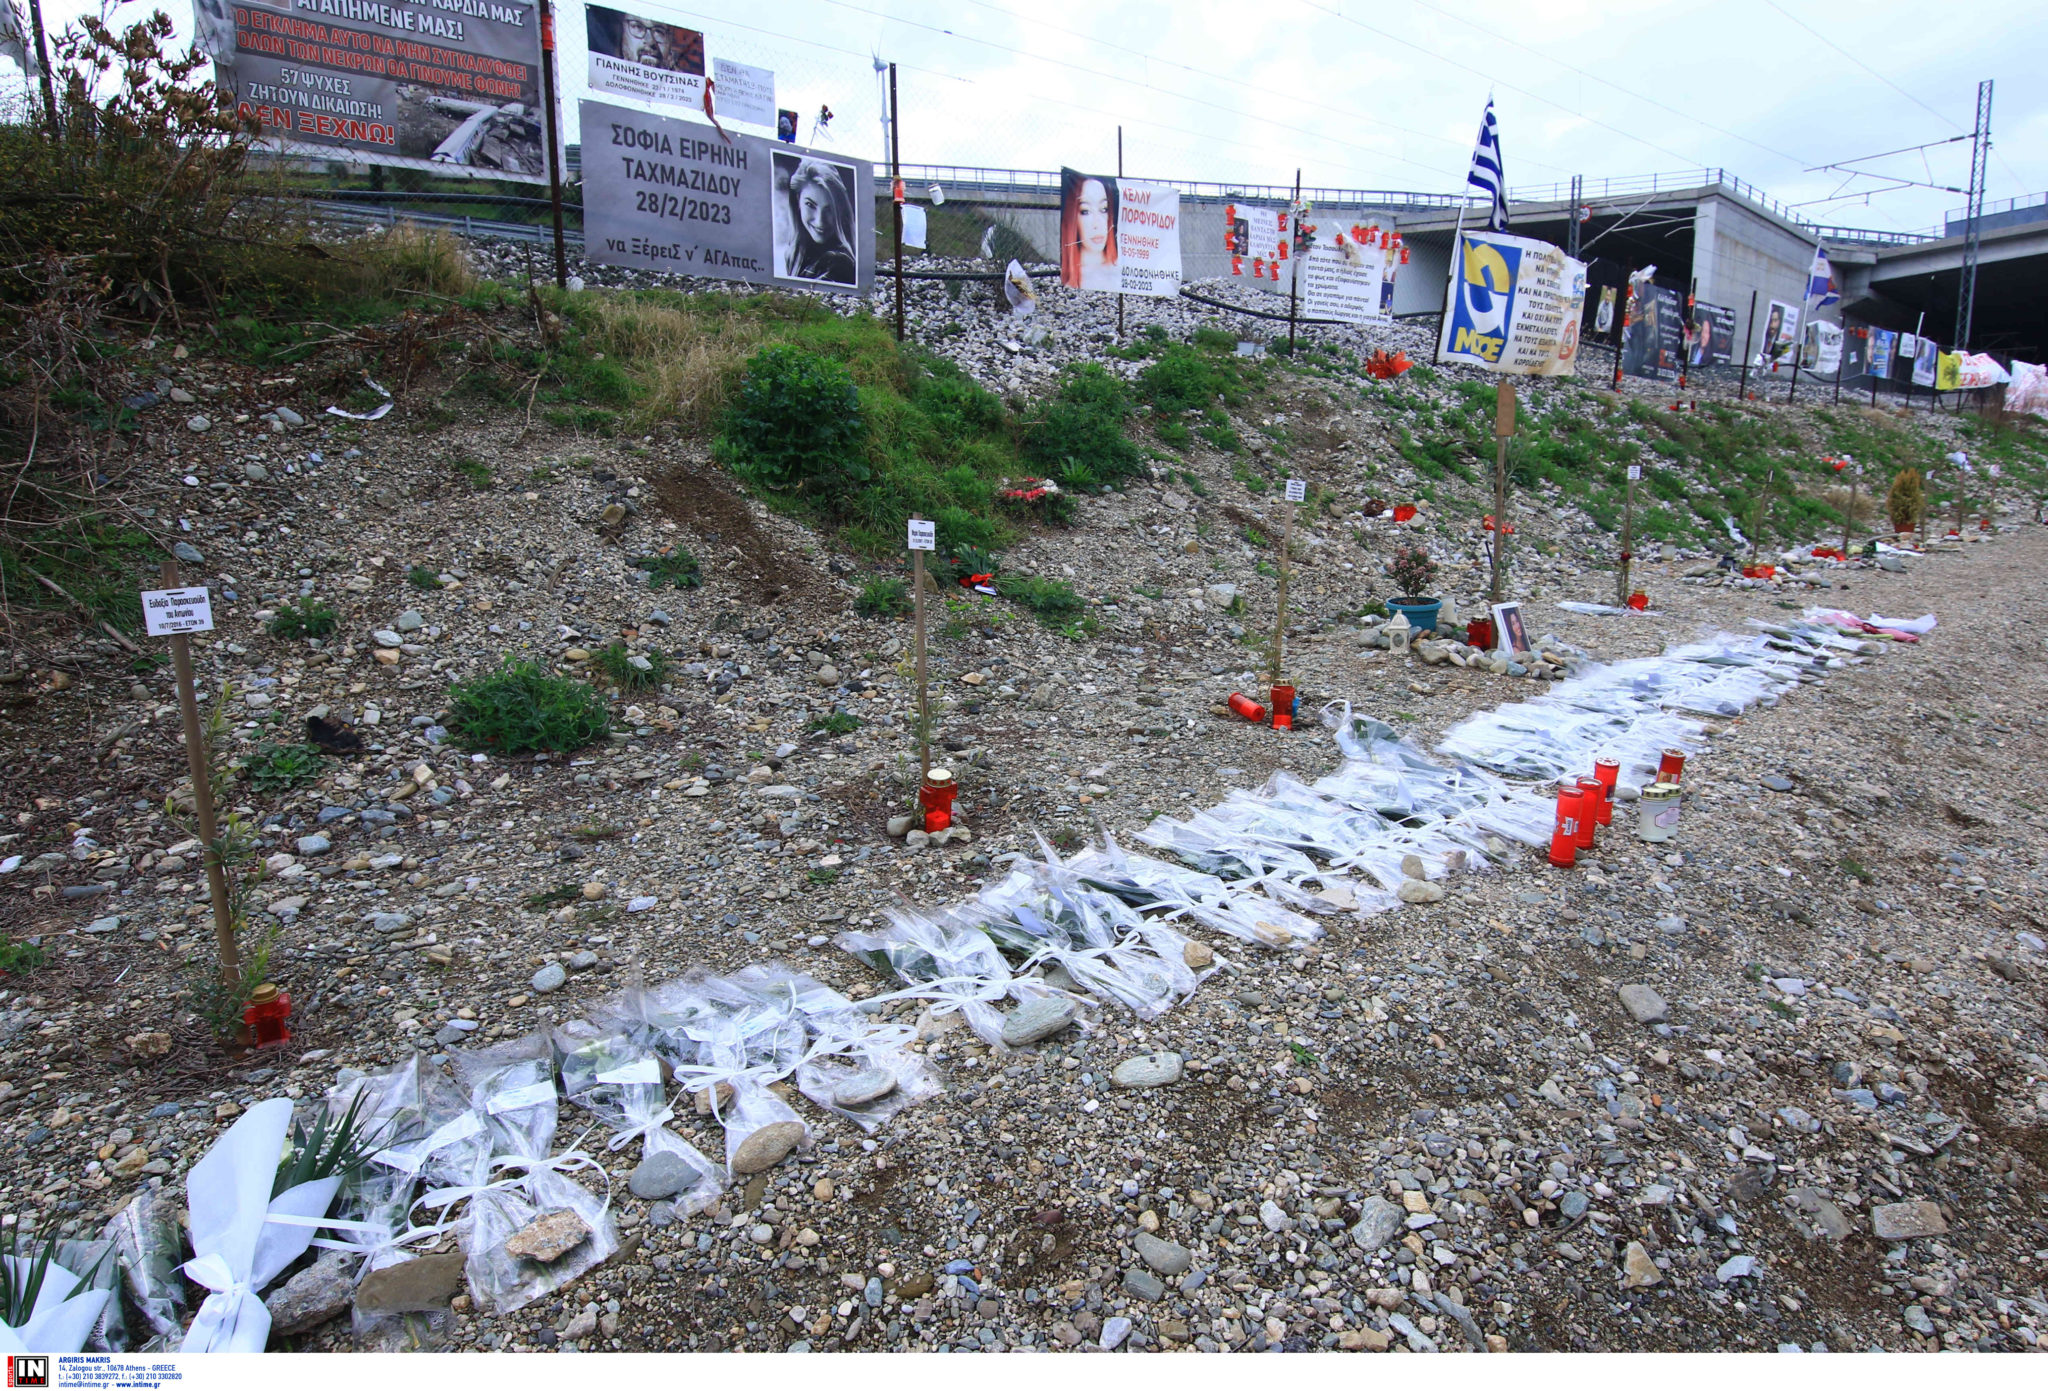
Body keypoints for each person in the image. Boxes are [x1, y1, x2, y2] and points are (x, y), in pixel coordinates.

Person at [783, 158, 857, 286]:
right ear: (797, 200)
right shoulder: (796, 253)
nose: (820, 221)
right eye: (810, 205)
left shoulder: (837, 263)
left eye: (829, 210)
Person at [1060, 174, 1119, 292]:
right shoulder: (1072, 276)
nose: (1097, 223)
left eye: (1104, 209)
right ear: (1072, 218)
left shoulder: (1121, 269)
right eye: (1085, 211)